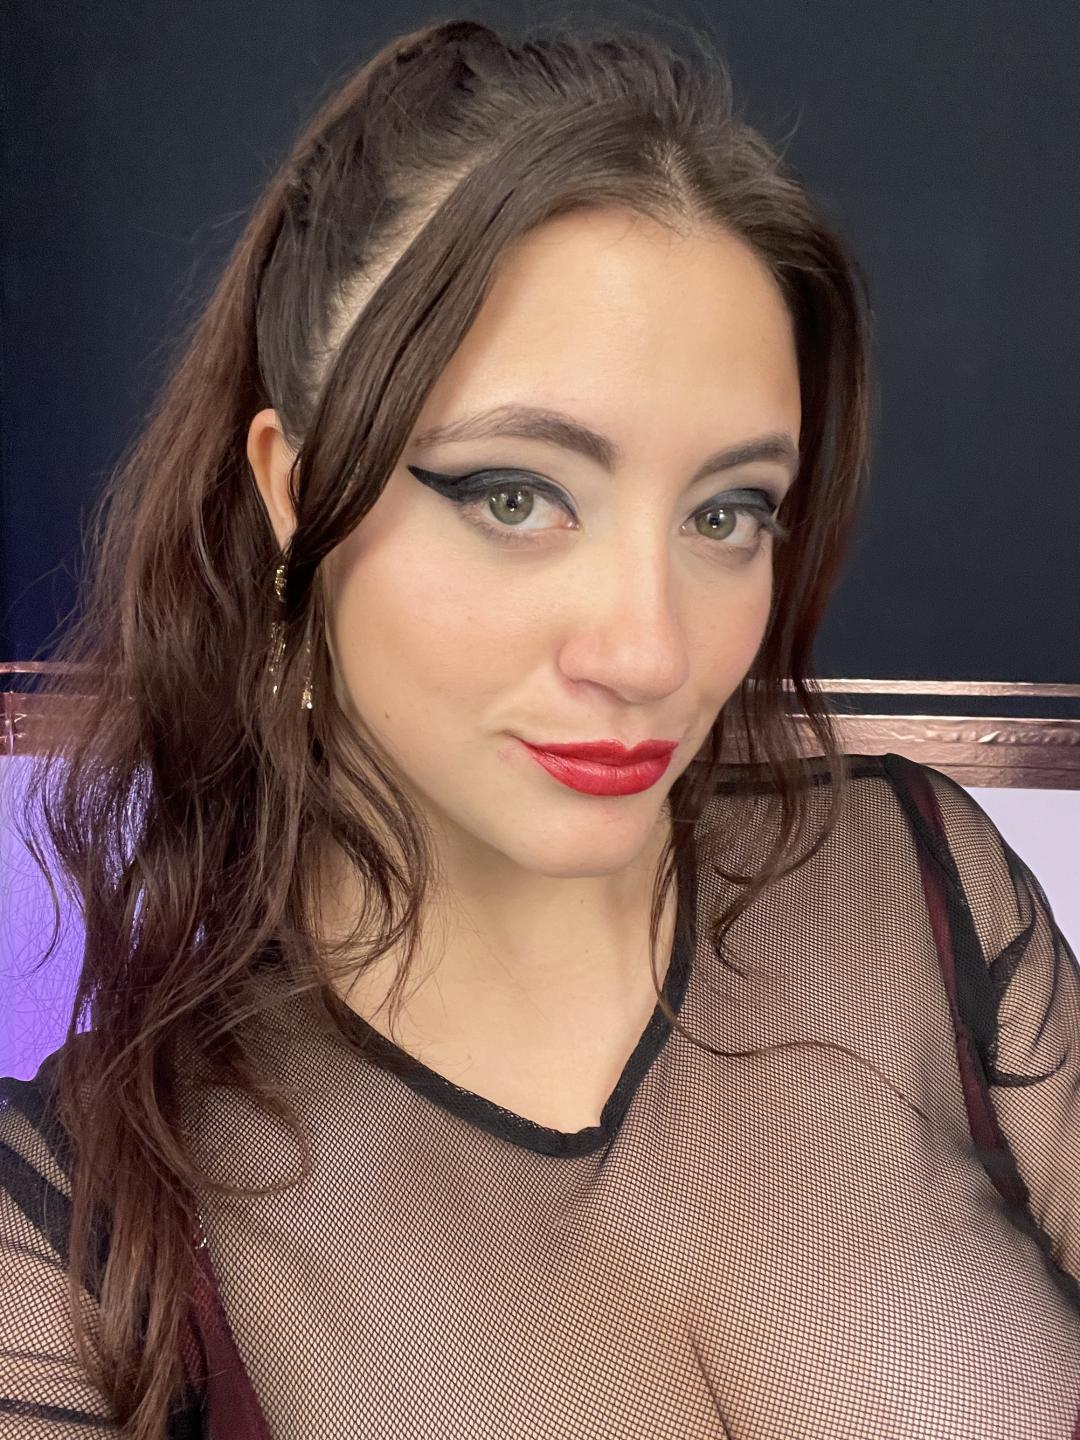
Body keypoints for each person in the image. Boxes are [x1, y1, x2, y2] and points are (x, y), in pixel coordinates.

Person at [1, 16, 1077, 1440]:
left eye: (728, 513)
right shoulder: (71, 1234)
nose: (651, 655)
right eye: (515, 495)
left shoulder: (916, 888)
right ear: (292, 497)